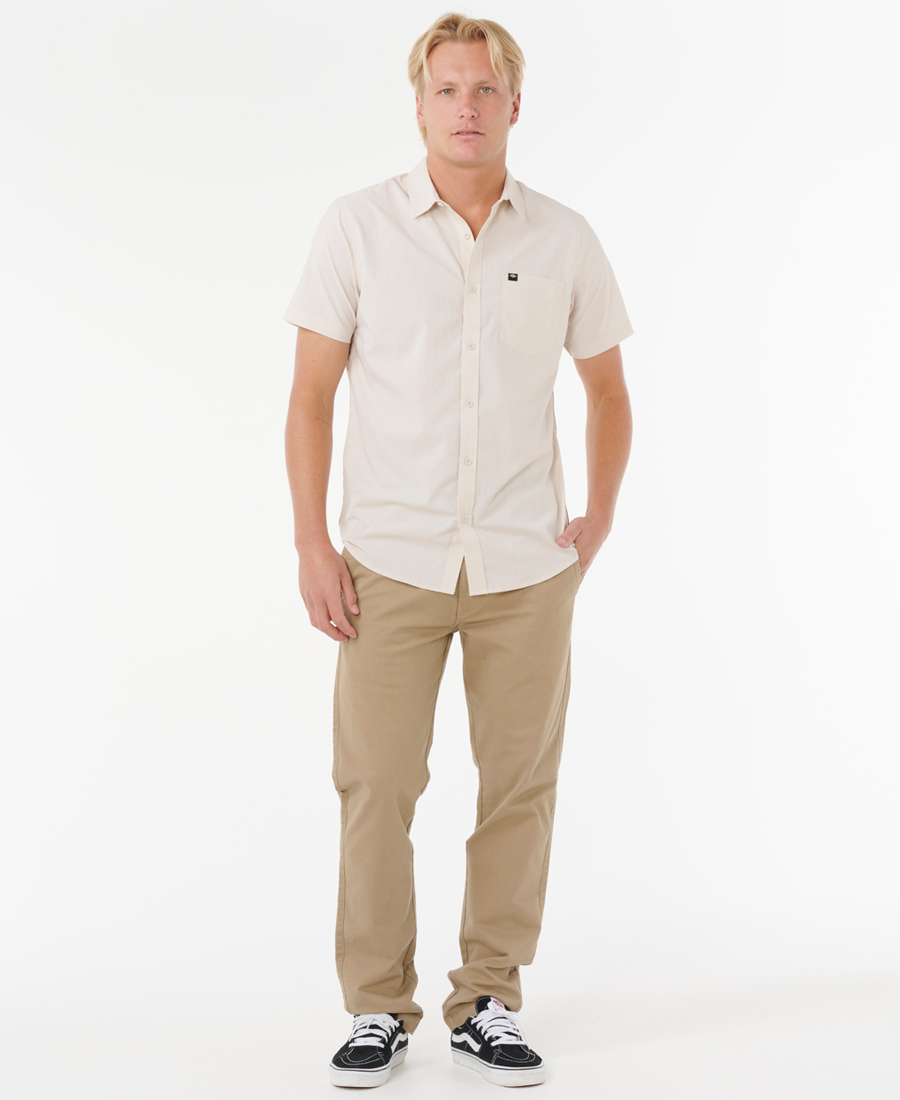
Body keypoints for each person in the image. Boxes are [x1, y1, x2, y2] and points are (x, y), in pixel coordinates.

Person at [283, 12, 634, 1089]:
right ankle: (376, 1006)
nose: (466, 107)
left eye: (485, 89)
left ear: (515, 104)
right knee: (376, 783)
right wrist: (311, 542)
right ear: (419, 104)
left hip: (527, 569)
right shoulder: (357, 227)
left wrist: (599, 517)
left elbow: (609, 393)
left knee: (519, 787)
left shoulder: (564, 238)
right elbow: (310, 397)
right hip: (388, 561)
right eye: (447, 89)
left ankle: (487, 998)